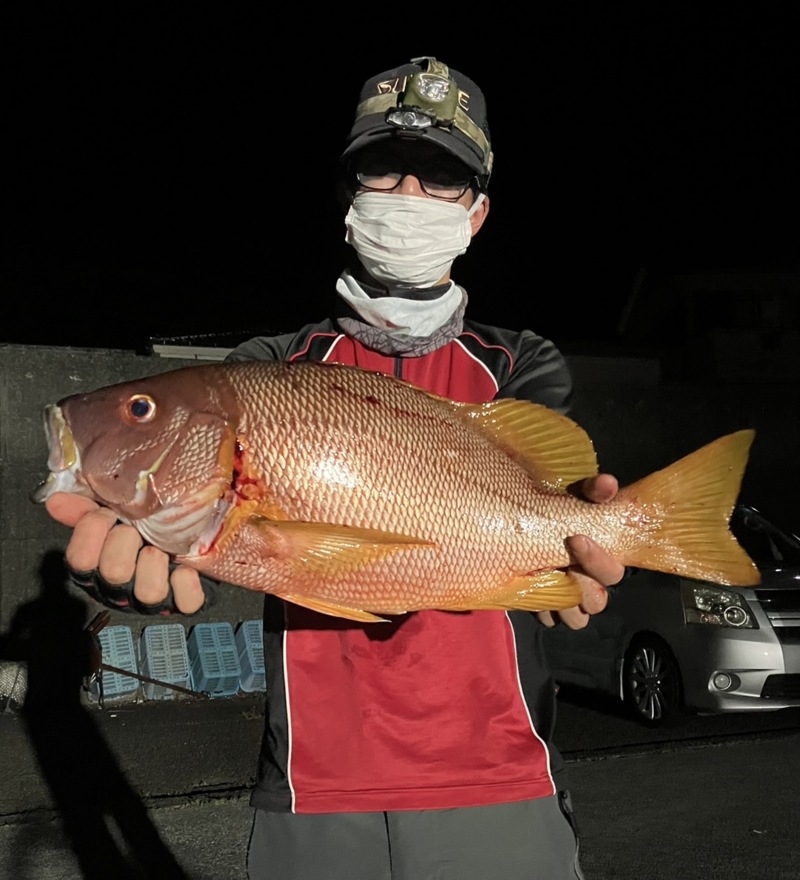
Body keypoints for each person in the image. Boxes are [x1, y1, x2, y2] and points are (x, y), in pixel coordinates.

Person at [45, 56, 625, 880]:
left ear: (479, 212)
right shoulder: (270, 365)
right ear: (351, 192)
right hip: (312, 791)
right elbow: (210, 554)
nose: (408, 194)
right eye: (385, 167)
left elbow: (558, 510)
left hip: (499, 778)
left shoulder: (521, 362)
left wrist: (582, 562)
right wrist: (121, 572)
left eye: (442, 175)